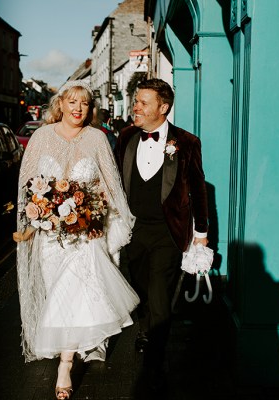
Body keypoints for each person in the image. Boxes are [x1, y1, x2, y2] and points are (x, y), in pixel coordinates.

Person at [12, 80, 139, 400]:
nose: (77, 108)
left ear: (90, 108)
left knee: (74, 293)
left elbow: (109, 185)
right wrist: (31, 219)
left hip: (85, 233)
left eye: (84, 103)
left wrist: (106, 220)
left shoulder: (97, 138)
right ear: (60, 105)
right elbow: (28, 184)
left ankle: (65, 365)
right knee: (58, 294)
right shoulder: (41, 136)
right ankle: (71, 344)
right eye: (72, 102)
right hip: (50, 237)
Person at [114, 78, 210, 391]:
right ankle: (145, 328)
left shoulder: (187, 142)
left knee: (159, 293)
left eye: (142, 102)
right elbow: (114, 181)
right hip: (132, 230)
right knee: (139, 287)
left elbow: (198, 189)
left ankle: (154, 363)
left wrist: (201, 233)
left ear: (163, 107)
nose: (135, 107)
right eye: (135, 101)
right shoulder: (126, 137)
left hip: (168, 232)